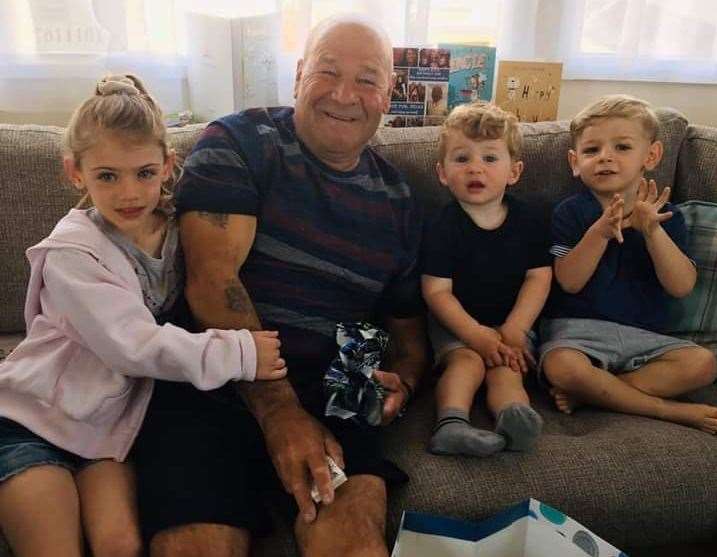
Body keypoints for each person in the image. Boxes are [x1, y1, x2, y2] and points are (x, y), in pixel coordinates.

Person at [131, 15, 428, 557]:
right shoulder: (240, 141)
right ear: (298, 76)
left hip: (339, 389)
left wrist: (402, 384)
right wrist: (280, 413)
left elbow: (409, 337)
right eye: (327, 72)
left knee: (354, 547)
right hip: (211, 375)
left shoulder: (400, 200)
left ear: (390, 93)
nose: (344, 94)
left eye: (367, 79)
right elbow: (211, 283)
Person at [0, 75, 286, 557]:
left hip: (103, 432)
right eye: (108, 176)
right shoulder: (72, 253)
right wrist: (238, 352)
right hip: (28, 419)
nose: (129, 193)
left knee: (123, 544)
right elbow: (131, 345)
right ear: (76, 173)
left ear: (169, 166)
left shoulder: (179, 231)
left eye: (145, 173)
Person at [539, 94, 717, 433]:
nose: (605, 157)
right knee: (562, 368)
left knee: (703, 364)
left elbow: (680, 286)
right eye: (592, 151)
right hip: (579, 333)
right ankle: (667, 410)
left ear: (650, 156)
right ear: (575, 161)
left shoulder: (668, 216)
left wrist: (653, 232)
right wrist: (598, 234)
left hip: (647, 338)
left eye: (622, 147)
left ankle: (596, 393)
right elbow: (569, 282)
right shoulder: (570, 212)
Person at [422, 101, 550, 457]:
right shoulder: (441, 225)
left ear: (515, 171)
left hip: (512, 325)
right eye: (462, 159)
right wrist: (474, 334)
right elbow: (436, 291)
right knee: (468, 362)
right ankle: (451, 425)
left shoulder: (529, 219)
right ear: (443, 172)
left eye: (490, 159)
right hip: (456, 326)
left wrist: (515, 329)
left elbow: (539, 277)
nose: (475, 168)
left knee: (507, 369)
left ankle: (515, 420)